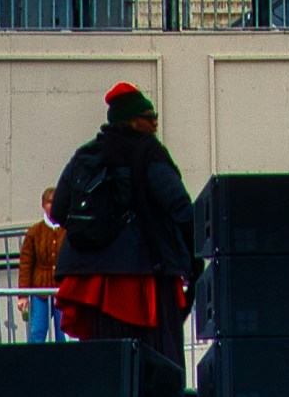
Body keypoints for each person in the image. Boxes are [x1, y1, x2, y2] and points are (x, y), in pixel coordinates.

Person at [50, 83, 196, 374]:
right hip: (145, 279)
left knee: (107, 368)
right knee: (158, 367)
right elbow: (180, 206)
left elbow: (58, 211)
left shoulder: (85, 155)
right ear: (132, 121)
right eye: (149, 117)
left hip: (94, 284)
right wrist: (192, 255)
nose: (155, 123)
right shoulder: (149, 152)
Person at [17, 187, 67, 344]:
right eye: (49, 202)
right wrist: (23, 294)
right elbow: (26, 264)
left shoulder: (68, 230)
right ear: (43, 205)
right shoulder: (34, 232)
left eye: (55, 202)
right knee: (37, 334)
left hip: (63, 291)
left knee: (63, 334)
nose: (52, 206)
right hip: (39, 291)